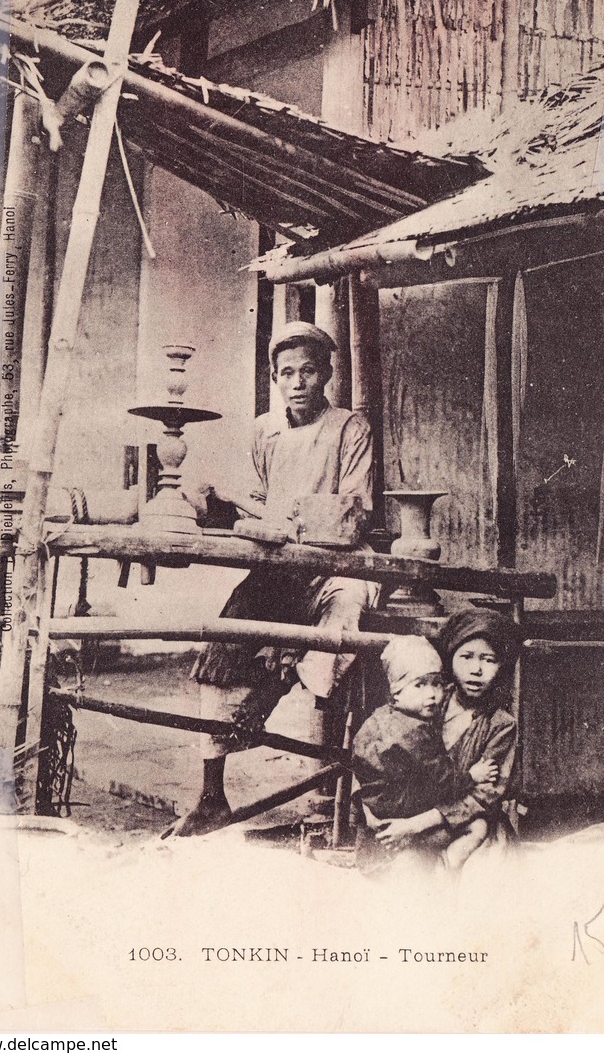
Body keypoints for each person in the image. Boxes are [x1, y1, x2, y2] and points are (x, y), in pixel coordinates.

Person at [174, 321, 378, 836]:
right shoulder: (264, 431)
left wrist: (288, 521)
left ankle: (283, 710)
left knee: (341, 622)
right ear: (274, 378)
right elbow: (259, 500)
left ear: (327, 374)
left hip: (337, 567)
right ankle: (211, 796)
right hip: (279, 567)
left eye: (309, 370)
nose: (298, 382)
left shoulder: (350, 428)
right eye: (287, 373)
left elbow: (353, 511)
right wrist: (231, 508)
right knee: (226, 640)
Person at [372, 610, 522, 864]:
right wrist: (371, 815)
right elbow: (375, 746)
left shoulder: (501, 725)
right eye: (466, 657)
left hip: (466, 827)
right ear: (450, 658)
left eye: (489, 660)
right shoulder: (425, 699)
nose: (476, 669)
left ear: (502, 666)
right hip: (404, 816)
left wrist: (414, 825)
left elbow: (481, 797)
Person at [352, 635, 498, 871]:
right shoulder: (415, 731)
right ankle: (447, 866)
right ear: (396, 691)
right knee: (478, 827)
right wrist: (473, 775)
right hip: (405, 818)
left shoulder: (378, 719)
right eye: (419, 685)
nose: (431, 694)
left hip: (377, 819)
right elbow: (444, 780)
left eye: (436, 684)